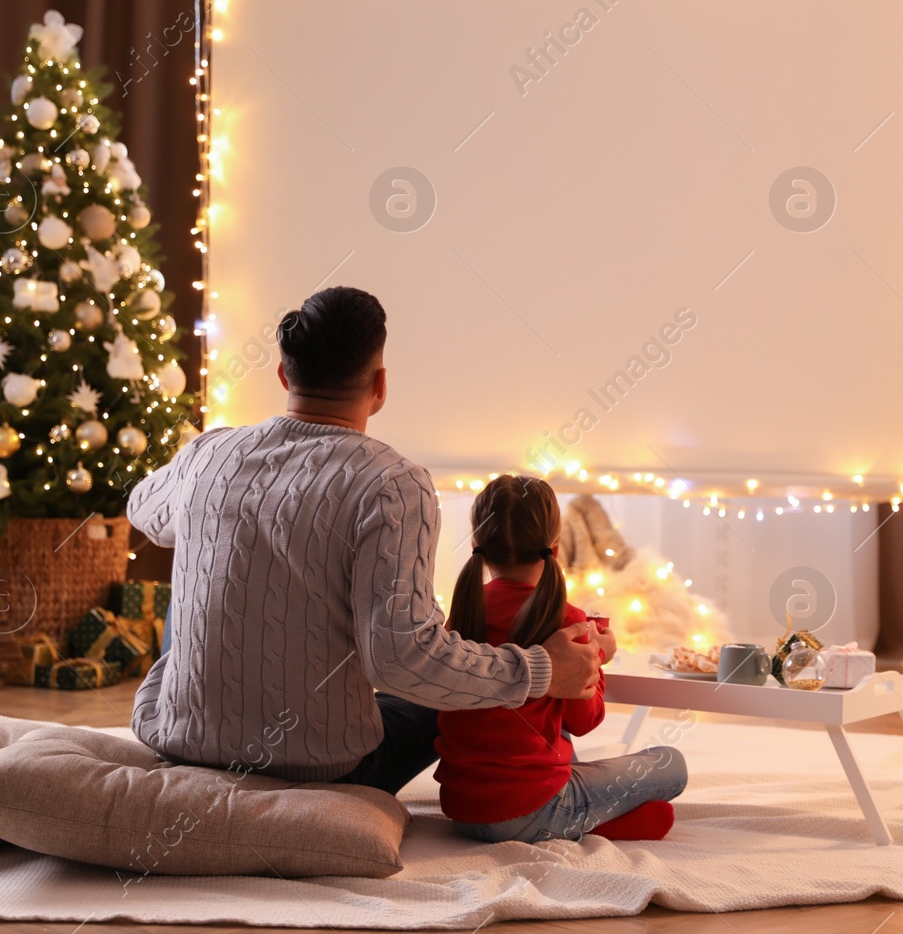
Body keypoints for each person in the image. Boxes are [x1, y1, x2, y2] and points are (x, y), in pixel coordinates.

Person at [125, 286, 601, 791]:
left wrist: (232, 504)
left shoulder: (209, 452)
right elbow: (402, 662)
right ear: (380, 385)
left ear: (285, 375)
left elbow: (145, 512)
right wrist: (539, 671)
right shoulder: (394, 484)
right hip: (320, 767)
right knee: (440, 699)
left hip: (178, 740)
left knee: (202, 555)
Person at [435, 475, 687, 843]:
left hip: (463, 809)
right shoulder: (566, 620)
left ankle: (567, 816)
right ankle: (566, 822)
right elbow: (585, 720)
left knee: (554, 736)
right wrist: (597, 658)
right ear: (555, 548)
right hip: (531, 806)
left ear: (477, 544)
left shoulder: (462, 613)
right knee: (671, 764)